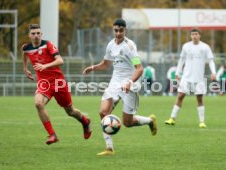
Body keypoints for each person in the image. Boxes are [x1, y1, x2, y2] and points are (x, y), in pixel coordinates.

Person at [83, 19, 157, 156]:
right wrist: (93, 68)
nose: (118, 33)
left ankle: (150, 121)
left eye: (121, 31)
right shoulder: (111, 45)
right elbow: (106, 64)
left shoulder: (129, 47)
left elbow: (139, 69)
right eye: (116, 30)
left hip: (130, 85)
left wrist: (129, 82)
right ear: (113, 30)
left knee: (127, 122)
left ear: (125, 30)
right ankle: (109, 148)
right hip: (115, 83)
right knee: (103, 113)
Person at [22, 24, 91, 145]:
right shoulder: (26, 48)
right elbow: (24, 54)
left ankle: (85, 122)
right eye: (33, 33)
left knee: (70, 111)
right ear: (29, 35)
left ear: (41, 34)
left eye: (38, 33)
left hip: (58, 83)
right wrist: (25, 69)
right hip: (44, 84)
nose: (36, 36)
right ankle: (52, 135)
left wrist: (45, 66)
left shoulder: (48, 44)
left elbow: (60, 60)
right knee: (38, 103)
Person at [165, 28, 216, 128]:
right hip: (186, 77)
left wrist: (213, 72)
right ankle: (172, 118)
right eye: (193, 34)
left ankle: (201, 122)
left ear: (199, 35)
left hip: (199, 78)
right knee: (180, 96)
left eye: (196, 34)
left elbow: (210, 60)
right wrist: (177, 72)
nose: (194, 36)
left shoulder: (205, 47)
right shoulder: (186, 46)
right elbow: (181, 60)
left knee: (200, 99)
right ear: (190, 36)